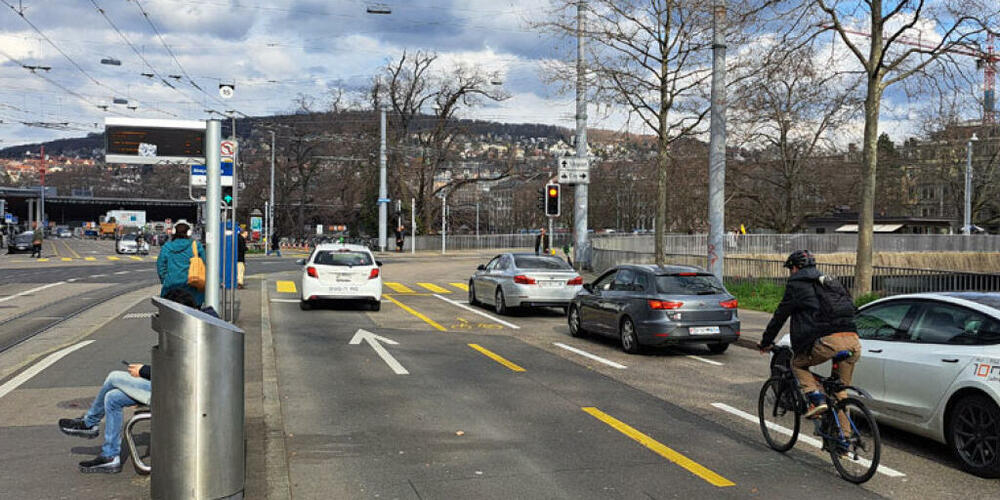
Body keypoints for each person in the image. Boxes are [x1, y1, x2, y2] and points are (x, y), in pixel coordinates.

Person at [58, 288, 197, 473]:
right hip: (170, 386)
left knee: (114, 377)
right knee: (112, 398)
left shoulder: (191, 335)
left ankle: (89, 423)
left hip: (176, 393)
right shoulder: (190, 329)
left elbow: (180, 371)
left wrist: (144, 371)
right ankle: (110, 456)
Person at [758, 250, 860, 419]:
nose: (790, 273)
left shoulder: (796, 285)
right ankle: (844, 439)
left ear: (796, 268)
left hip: (828, 341)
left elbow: (780, 315)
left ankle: (816, 398)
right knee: (839, 391)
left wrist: (765, 342)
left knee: (797, 364)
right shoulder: (830, 281)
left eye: (791, 269)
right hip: (853, 339)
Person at [156, 219, 205, 307]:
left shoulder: (167, 247)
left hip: (171, 289)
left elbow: (160, 267)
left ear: (173, 232)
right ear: (189, 233)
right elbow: (205, 264)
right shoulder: (196, 246)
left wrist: (165, 280)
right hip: (193, 287)